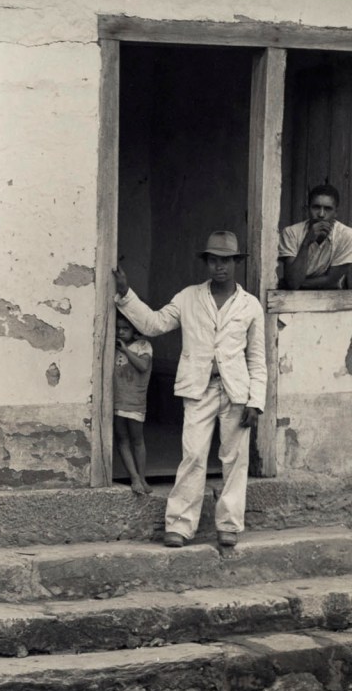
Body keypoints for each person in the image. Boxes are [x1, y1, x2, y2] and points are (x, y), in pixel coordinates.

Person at [113, 230, 266, 548]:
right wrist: (126, 294)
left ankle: (229, 524)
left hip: (236, 390)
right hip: (199, 389)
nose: (219, 267)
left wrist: (256, 400)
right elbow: (154, 324)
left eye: (225, 260)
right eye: (213, 260)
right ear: (206, 263)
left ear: (235, 262)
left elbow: (257, 358)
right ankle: (180, 525)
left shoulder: (250, 306)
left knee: (234, 459)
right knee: (193, 455)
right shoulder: (188, 297)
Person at [278, 183, 352, 290]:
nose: (321, 214)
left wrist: (295, 283)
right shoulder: (291, 233)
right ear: (308, 209)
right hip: (292, 299)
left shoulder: (347, 235)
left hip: (332, 297)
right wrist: (306, 242)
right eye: (316, 207)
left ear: (336, 213)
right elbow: (293, 283)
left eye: (328, 209)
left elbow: (331, 279)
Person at [113, 314, 153, 496]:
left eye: (125, 328)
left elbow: (143, 366)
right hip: (117, 399)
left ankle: (142, 477)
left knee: (137, 440)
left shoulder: (143, 346)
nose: (121, 332)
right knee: (122, 439)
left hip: (135, 400)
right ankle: (134, 477)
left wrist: (126, 351)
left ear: (135, 329)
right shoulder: (112, 346)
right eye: (118, 328)